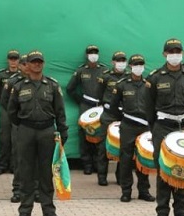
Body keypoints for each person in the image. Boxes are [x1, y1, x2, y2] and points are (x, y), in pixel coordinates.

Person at [8, 50, 68, 216]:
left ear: (43, 64)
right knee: (25, 172)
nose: (37, 64)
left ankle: (48, 210)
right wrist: (23, 126)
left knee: (45, 173)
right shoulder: (19, 86)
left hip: (46, 131)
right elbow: (12, 111)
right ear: (27, 65)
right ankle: (25, 211)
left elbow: (60, 112)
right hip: (26, 131)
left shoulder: (52, 85)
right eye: (33, 62)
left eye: (39, 62)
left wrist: (63, 132)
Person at [145, 38, 184, 216]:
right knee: (164, 169)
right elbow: (149, 107)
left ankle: (181, 211)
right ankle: (162, 211)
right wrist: (155, 129)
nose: (175, 55)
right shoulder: (155, 77)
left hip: (183, 126)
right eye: (171, 51)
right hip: (163, 126)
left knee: (183, 168)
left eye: (178, 51)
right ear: (164, 54)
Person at [104, 54, 155, 203]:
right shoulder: (122, 84)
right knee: (126, 159)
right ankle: (126, 191)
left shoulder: (149, 84)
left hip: (145, 126)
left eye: (141, 64)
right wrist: (124, 117)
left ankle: (144, 190)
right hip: (128, 126)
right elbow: (112, 106)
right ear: (130, 67)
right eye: (136, 64)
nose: (138, 67)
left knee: (143, 158)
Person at [66, 45, 106, 175]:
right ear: (87, 55)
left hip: (100, 107)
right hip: (86, 106)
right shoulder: (81, 71)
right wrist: (81, 101)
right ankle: (87, 164)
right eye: (91, 52)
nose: (93, 55)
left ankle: (98, 164)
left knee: (100, 133)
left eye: (95, 52)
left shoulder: (104, 71)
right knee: (84, 134)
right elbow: (70, 88)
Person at [95, 51, 129, 186]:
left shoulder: (128, 77)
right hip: (109, 114)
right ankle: (102, 176)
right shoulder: (105, 76)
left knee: (123, 146)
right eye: (118, 60)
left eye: (123, 60)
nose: (121, 63)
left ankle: (120, 176)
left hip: (124, 115)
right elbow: (99, 94)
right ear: (113, 62)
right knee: (104, 146)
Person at [1, 54, 29, 203]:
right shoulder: (13, 82)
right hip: (19, 126)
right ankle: (18, 190)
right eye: (24, 64)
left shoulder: (40, 81)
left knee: (35, 159)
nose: (26, 66)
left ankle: (35, 190)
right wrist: (17, 120)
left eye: (28, 64)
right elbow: (6, 103)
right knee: (19, 158)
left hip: (35, 127)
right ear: (20, 66)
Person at [0, 50, 21, 176]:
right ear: (8, 60)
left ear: (19, 61)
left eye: (15, 59)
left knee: (17, 138)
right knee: (4, 138)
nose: (13, 62)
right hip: (6, 110)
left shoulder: (22, 76)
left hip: (19, 110)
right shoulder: (1, 75)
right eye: (11, 59)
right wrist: (4, 102)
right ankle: (2, 165)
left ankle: (14, 166)